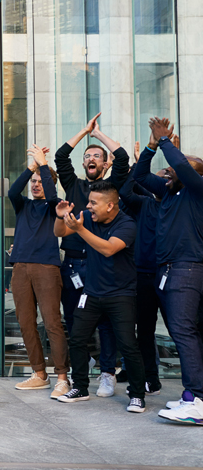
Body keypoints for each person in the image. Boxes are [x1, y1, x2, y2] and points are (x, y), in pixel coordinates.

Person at [53, 180, 147, 413]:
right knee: (76, 339)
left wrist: (80, 229)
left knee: (128, 345)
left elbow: (108, 248)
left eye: (94, 203)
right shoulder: (88, 216)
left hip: (121, 294)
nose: (88, 206)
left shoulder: (127, 224)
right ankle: (81, 388)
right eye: (89, 202)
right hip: (92, 293)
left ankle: (137, 395)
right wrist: (60, 216)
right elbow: (60, 232)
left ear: (110, 206)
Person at [133, 118, 203, 424]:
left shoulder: (197, 190)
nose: (172, 169)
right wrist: (151, 145)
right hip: (170, 269)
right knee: (185, 332)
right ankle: (191, 396)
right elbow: (138, 175)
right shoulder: (170, 191)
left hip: (186, 269)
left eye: (182, 166)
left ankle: (198, 399)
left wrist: (166, 142)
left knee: (184, 332)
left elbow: (184, 167)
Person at [54, 113, 129, 397]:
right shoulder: (73, 185)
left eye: (96, 156)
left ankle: (108, 373)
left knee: (107, 322)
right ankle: (80, 373)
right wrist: (84, 131)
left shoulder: (111, 190)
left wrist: (98, 135)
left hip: (101, 263)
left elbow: (122, 159)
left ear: (104, 163)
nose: (91, 159)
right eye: (87, 156)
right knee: (74, 321)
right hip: (72, 265)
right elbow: (62, 156)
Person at [7, 145, 70, 399]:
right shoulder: (22, 205)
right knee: (25, 322)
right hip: (20, 267)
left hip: (46, 267)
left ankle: (63, 378)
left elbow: (55, 197)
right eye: (32, 182)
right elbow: (12, 190)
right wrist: (31, 167)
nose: (34, 185)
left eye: (39, 182)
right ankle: (39, 374)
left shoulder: (53, 206)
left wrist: (44, 166)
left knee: (52, 322)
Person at [111, 140, 168, 396]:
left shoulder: (179, 205)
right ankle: (151, 380)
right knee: (144, 330)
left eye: (167, 177)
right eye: (159, 177)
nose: (162, 180)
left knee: (181, 329)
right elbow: (124, 189)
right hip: (144, 276)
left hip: (171, 275)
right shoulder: (144, 203)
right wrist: (139, 163)